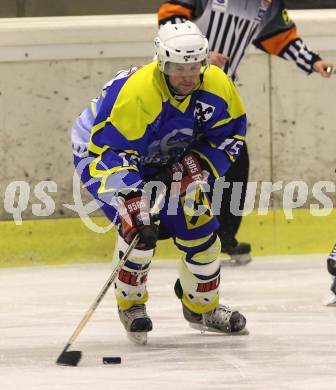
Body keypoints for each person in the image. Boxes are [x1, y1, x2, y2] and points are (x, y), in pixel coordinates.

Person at [71, 21, 249, 344]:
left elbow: (231, 134)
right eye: (179, 68)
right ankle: (132, 306)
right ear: (162, 63)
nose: (187, 76)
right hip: (100, 152)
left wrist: (197, 164)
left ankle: (203, 308)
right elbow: (109, 150)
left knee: (203, 231)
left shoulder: (216, 86)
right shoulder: (138, 93)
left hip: (167, 158)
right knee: (138, 226)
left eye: (194, 67)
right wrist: (132, 194)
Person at [158, 0, 334, 266]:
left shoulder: (270, 5)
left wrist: (313, 61)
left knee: (234, 161)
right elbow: (170, 15)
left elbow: (280, 37)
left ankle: (223, 235)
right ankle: (157, 226)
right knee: (174, 161)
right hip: (180, 88)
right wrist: (198, 54)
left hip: (218, 93)